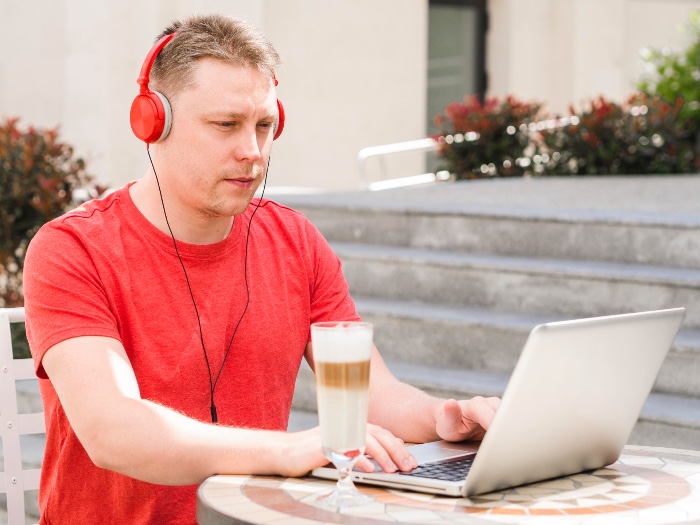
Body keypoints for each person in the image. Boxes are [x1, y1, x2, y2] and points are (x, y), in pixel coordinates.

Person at [23, 13, 500, 525]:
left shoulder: (295, 241)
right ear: (152, 122)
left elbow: (369, 395)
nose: (252, 152)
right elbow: (115, 431)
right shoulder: (71, 250)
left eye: (264, 126)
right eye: (225, 125)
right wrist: (288, 450)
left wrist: (440, 418)